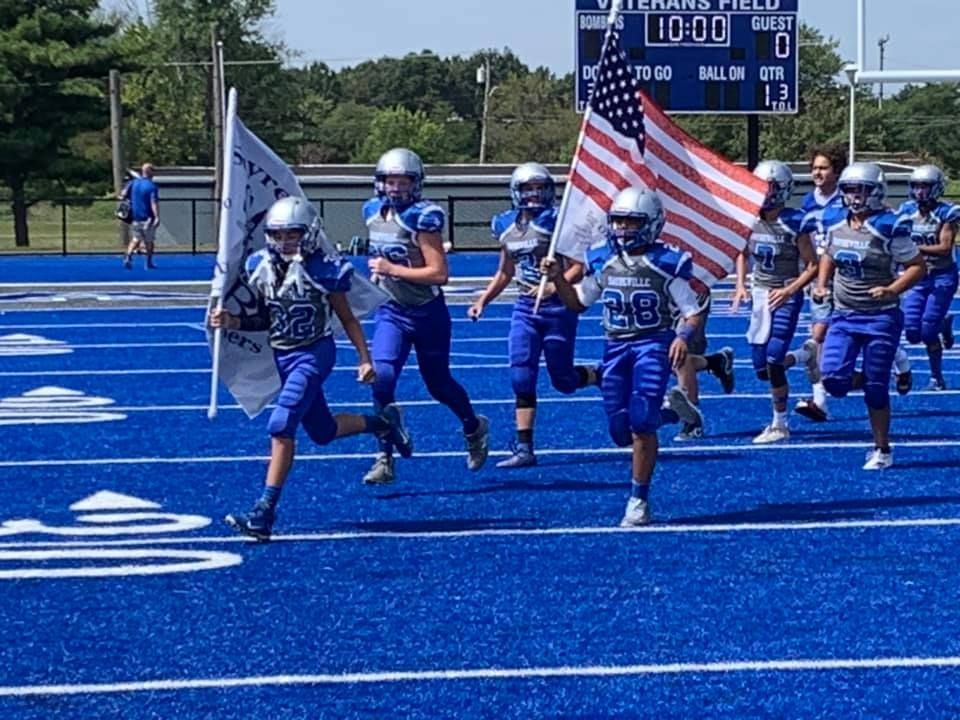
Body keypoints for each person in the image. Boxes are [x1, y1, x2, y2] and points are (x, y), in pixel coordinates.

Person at [209, 196, 412, 541]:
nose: (285, 241)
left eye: (293, 234)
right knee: (322, 431)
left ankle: (263, 513)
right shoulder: (261, 265)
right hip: (283, 356)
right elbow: (265, 317)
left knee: (281, 424)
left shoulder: (324, 270)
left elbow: (346, 318)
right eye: (278, 234)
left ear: (309, 233)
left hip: (314, 354)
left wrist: (365, 357)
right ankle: (382, 422)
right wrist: (232, 319)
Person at [542, 187, 705, 527]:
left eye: (632, 222)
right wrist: (558, 278)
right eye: (618, 221)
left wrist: (682, 337)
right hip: (614, 346)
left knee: (642, 421)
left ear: (651, 224)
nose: (623, 229)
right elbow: (577, 303)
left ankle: (638, 500)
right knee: (620, 430)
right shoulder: (604, 258)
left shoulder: (665, 262)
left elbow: (692, 311)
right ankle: (675, 411)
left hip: (652, 343)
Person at [361, 147, 489, 485]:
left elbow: (438, 273)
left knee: (438, 384)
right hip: (390, 309)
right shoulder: (372, 211)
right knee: (382, 378)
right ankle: (384, 456)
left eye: (405, 181)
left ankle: (473, 426)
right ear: (380, 182)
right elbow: (378, 257)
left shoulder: (423, 217)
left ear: (416, 184)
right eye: (391, 181)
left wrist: (393, 269)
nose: (397, 188)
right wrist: (377, 274)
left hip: (426, 312)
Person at [467, 162, 598, 467]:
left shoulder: (558, 222)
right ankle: (525, 447)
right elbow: (505, 270)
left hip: (558, 308)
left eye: (540, 187)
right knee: (521, 375)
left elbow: (579, 266)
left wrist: (556, 284)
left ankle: (600, 375)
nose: (535, 194)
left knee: (563, 380)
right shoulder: (505, 225)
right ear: (516, 191)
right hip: (525, 307)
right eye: (528, 188)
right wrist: (483, 300)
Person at [816, 162, 925, 470]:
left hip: (881, 317)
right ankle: (876, 378)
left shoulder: (890, 224)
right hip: (844, 315)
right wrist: (822, 284)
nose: (854, 196)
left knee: (875, 390)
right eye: (849, 189)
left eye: (861, 190)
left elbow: (917, 266)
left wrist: (892, 289)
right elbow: (828, 253)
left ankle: (882, 449)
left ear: (876, 191)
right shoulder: (834, 219)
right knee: (833, 380)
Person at [732, 160, 819, 444]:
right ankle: (806, 355)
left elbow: (812, 266)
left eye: (770, 188)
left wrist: (790, 290)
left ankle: (779, 424)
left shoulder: (795, 221)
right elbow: (742, 252)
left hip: (785, 295)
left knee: (773, 359)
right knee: (760, 368)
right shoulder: (749, 217)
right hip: (759, 294)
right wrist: (740, 285)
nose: (765, 194)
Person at [897, 164, 960, 390]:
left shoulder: (945, 213)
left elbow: (944, 247)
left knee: (927, 330)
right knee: (912, 333)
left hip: (942, 276)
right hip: (918, 276)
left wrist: (914, 249)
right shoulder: (905, 210)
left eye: (925, 186)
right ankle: (943, 324)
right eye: (916, 186)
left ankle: (937, 377)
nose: (920, 192)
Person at [665, 287, 736, 441]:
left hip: (690, 288)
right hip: (663, 286)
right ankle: (716, 361)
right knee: (669, 358)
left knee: (681, 356)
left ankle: (691, 419)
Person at [122, 163, 160, 270]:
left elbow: (123, 194)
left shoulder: (133, 183)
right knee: (149, 241)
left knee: (135, 239)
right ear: (150, 172)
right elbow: (153, 202)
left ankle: (128, 255)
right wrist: (156, 216)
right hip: (148, 218)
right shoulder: (151, 186)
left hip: (136, 217)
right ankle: (148, 263)